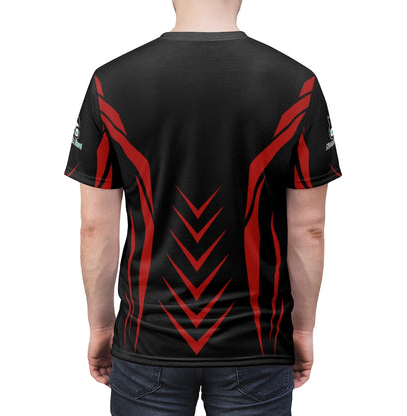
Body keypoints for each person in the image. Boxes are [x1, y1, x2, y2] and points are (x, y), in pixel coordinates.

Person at [63, 0, 342, 414]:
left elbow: (95, 228)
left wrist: (101, 326)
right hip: (257, 343)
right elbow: (309, 230)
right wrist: (301, 330)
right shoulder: (298, 84)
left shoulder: (111, 83)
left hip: (147, 340)